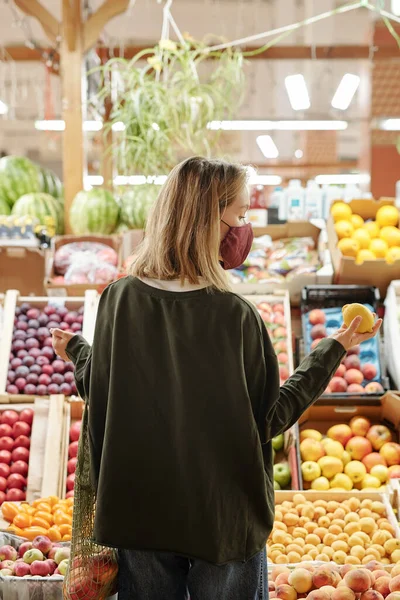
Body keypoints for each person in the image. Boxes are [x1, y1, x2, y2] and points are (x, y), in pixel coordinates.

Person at [51, 156, 381, 600]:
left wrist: (77, 351)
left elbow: (104, 394)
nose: (246, 228)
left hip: (139, 511)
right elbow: (271, 417)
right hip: (223, 518)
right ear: (209, 220)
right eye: (241, 215)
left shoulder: (119, 300)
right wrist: (334, 348)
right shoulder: (236, 317)